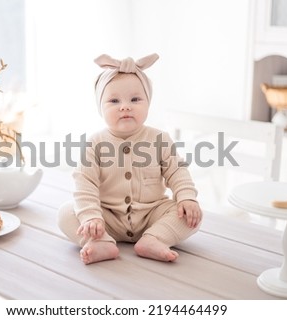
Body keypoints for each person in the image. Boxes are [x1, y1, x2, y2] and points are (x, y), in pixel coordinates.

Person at [58, 53, 202, 264]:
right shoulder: (94, 143)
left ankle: (154, 238)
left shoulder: (159, 138)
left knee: (191, 216)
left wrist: (186, 197)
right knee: (66, 213)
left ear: (148, 103)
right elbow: (84, 184)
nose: (125, 106)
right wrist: (91, 217)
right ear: (101, 107)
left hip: (151, 214)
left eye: (135, 99)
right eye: (114, 101)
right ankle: (101, 241)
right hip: (107, 218)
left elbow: (177, 170)